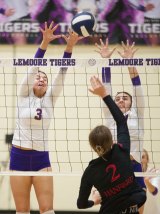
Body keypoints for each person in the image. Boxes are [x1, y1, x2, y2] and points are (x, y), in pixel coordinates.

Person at [9, 21, 83, 214]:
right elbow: (33, 68)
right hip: (19, 157)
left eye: (45, 78)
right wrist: (44, 43)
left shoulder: (50, 97)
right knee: (22, 211)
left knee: (47, 210)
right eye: (38, 78)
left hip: (41, 158)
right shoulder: (24, 94)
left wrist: (69, 47)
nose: (41, 79)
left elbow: (62, 73)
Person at [77, 76, 146, 214]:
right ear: (113, 141)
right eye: (117, 98)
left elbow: (81, 204)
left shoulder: (90, 171)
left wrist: (95, 201)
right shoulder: (122, 149)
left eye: (125, 98)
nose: (121, 100)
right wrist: (105, 62)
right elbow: (121, 121)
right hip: (121, 161)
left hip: (131, 164)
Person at [141, 149, 160, 214]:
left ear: (147, 160)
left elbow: (154, 192)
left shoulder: (154, 172)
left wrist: (147, 182)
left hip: (152, 211)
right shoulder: (130, 172)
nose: (140, 160)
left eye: (143, 157)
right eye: (139, 157)